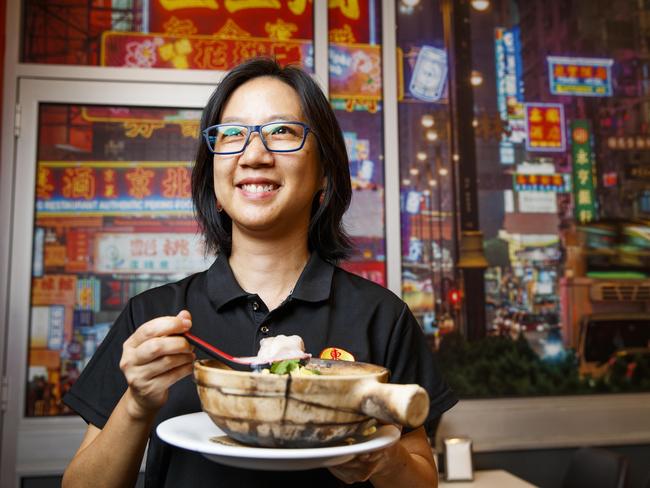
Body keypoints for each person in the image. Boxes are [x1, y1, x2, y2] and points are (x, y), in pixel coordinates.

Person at [62, 57, 457, 488]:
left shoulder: (382, 317)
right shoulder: (155, 319)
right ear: (212, 174)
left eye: (281, 131)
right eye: (232, 134)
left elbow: (421, 476)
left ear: (324, 170)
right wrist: (137, 404)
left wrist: (380, 460)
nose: (254, 155)